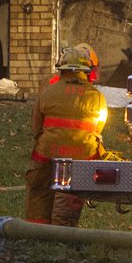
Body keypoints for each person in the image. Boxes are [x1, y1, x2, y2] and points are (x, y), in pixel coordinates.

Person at [24, 43, 109, 227]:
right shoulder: (97, 96)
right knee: (70, 197)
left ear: (61, 69)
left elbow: (36, 125)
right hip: (82, 156)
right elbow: (98, 128)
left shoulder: (48, 91)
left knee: (38, 192)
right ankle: (63, 234)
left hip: (47, 152)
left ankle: (36, 233)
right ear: (85, 71)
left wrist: (45, 140)